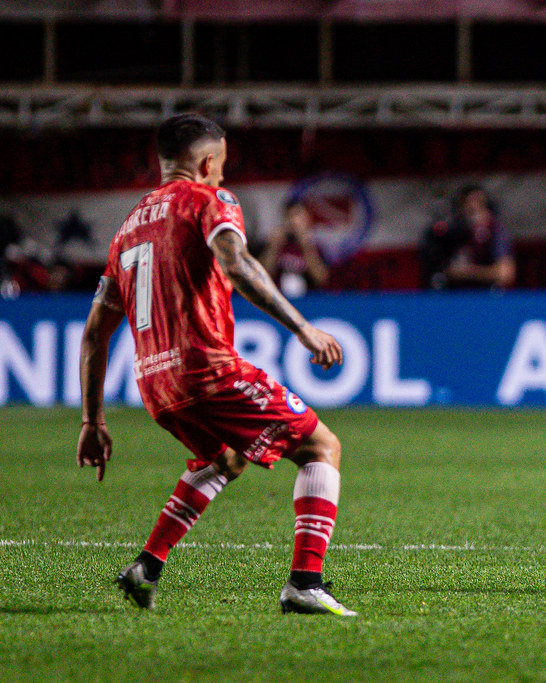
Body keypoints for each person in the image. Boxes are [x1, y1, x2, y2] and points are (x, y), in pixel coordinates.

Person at [76, 113, 355, 616]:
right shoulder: (211, 201)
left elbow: (96, 332)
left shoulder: (126, 231)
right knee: (321, 447)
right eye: (221, 165)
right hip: (206, 370)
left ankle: (147, 566)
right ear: (207, 162)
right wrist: (303, 328)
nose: (222, 176)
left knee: (225, 458)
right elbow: (238, 263)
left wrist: (92, 420)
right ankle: (305, 583)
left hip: (155, 386)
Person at [420, 184, 516, 290]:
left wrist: (466, 272)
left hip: (485, 296)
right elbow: (437, 270)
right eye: (467, 204)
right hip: (454, 296)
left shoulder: (494, 231)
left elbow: (504, 274)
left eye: (477, 203)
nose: (472, 208)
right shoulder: (449, 232)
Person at [258, 199, 331, 298]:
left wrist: (306, 245)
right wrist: (273, 246)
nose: (293, 220)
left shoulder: (316, 246)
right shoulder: (275, 242)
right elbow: (261, 276)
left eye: (297, 215)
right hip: (278, 299)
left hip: (309, 301)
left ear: (306, 218)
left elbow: (321, 278)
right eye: (289, 216)